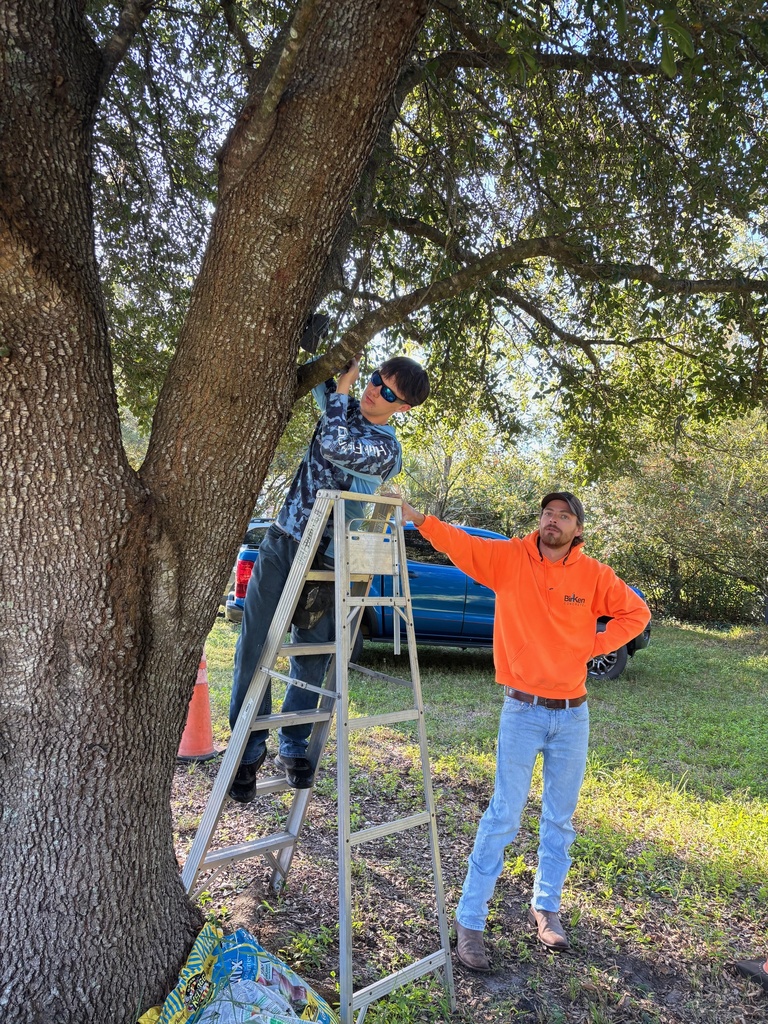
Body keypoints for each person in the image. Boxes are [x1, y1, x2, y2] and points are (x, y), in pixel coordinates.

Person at [398, 491, 651, 970]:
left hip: (573, 715)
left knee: (560, 819)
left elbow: (636, 614)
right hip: (522, 711)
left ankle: (546, 908)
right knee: (503, 816)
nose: (552, 521)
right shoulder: (510, 558)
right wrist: (420, 519)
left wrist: (594, 643)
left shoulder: (594, 575)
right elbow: (460, 543)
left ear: (578, 529)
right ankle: (470, 920)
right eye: (547, 513)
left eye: (564, 516)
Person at [229, 355, 430, 800]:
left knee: (312, 653)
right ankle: (247, 749)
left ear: (404, 408)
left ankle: (294, 743)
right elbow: (316, 369)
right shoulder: (339, 402)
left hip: (332, 557)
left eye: (389, 392)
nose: (375, 390)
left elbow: (336, 446)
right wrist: (333, 348)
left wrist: (340, 393)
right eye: (376, 379)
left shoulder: (386, 450)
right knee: (254, 642)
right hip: (285, 540)